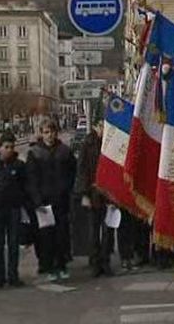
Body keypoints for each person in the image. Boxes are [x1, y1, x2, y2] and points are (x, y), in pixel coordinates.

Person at [26, 119, 76, 281]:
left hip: (61, 200)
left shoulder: (65, 151)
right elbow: (31, 179)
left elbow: (72, 173)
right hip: (44, 202)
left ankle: (61, 264)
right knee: (46, 236)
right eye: (46, 132)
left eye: (52, 132)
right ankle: (48, 266)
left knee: (62, 235)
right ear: (41, 133)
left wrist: (69, 191)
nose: (50, 135)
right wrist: (37, 200)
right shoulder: (35, 153)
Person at [0, 132, 28, 288]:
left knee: (14, 243)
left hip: (13, 209)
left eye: (11, 147)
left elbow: (24, 185)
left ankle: (13, 275)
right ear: (0, 147)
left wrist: (23, 203)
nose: (9, 150)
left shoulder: (19, 165)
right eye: (6, 147)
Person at [76, 118, 114, 277]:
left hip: (108, 194)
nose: (103, 128)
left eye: (105, 125)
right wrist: (84, 193)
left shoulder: (111, 142)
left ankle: (105, 262)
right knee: (93, 231)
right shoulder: (88, 143)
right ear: (94, 126)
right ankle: (95, 262)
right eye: (100, 125)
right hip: (93, 193)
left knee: (108, 231)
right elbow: (82, 169)